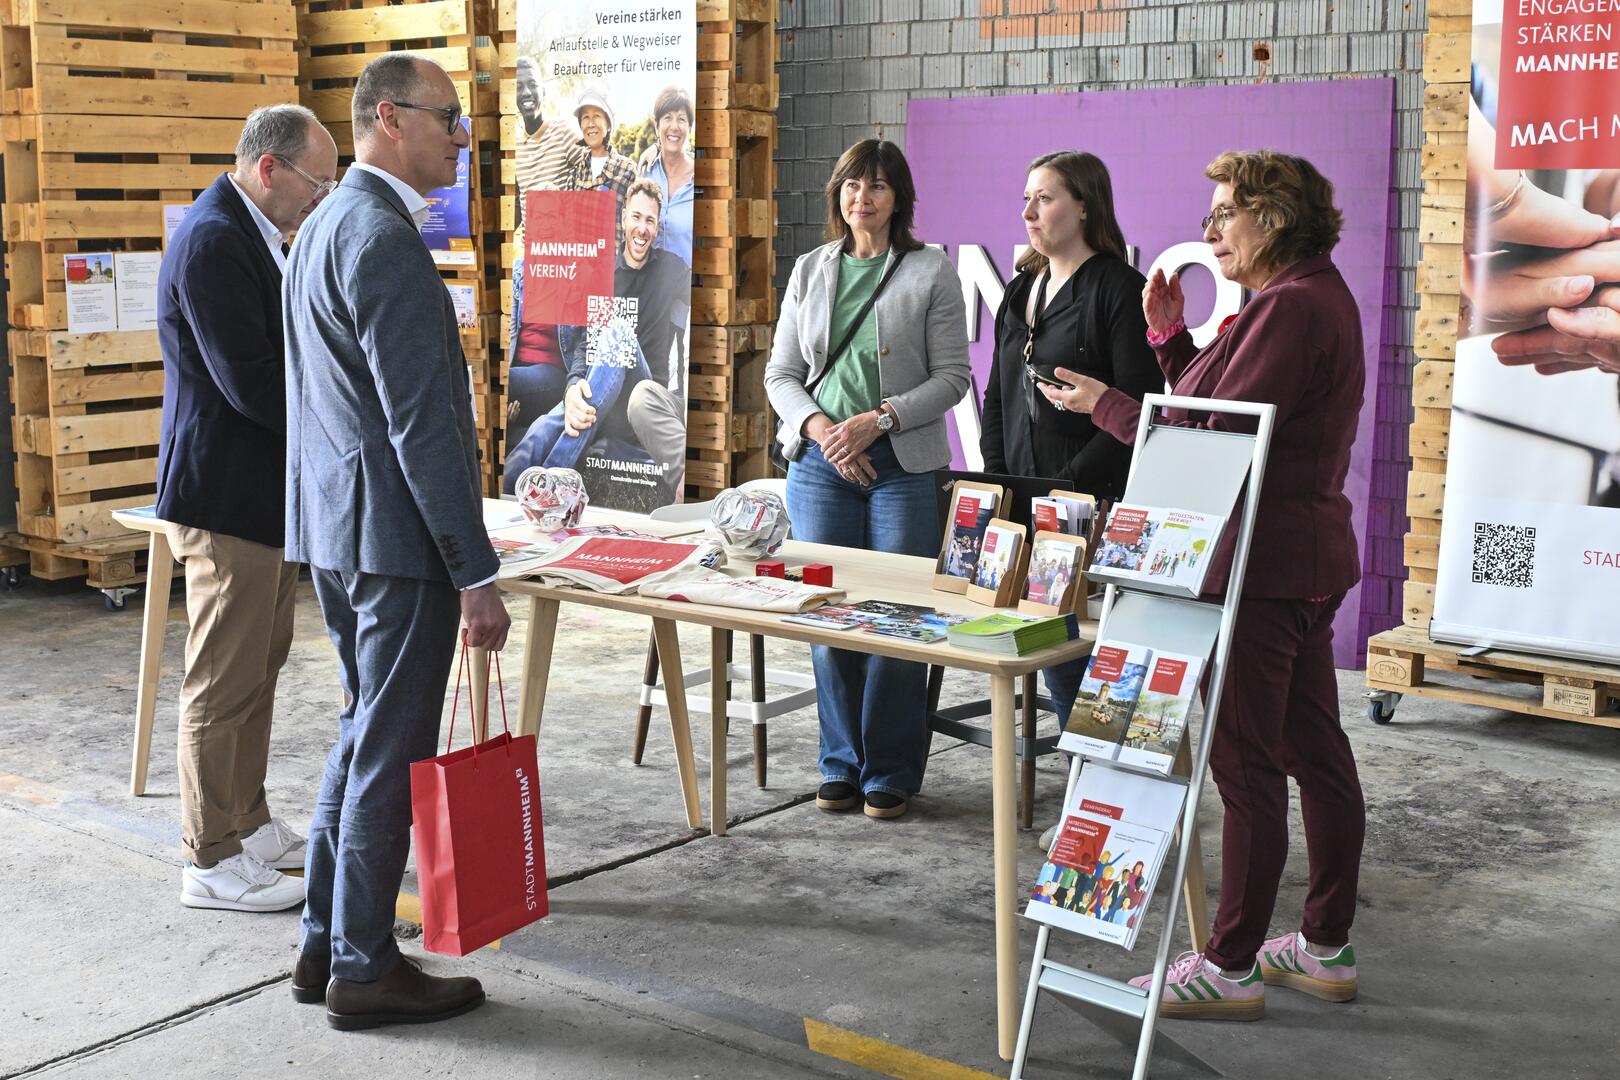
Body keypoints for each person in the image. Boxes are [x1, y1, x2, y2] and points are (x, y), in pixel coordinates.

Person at [1042, 150, 1366, 1020]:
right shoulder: (1297, 302)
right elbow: (1212, 399)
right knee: (1311, 754)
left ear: (1276, 220)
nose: (1212, 228)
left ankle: (1229, 965)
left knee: (1249, 766)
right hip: (1297, 561)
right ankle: (1324, 945)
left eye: (1228, 212)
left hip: (1263, 569)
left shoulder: (1290, 310)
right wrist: (1169, 341)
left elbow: (1206, 434)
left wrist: (1110, 403)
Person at [282, 54, 510, 1030]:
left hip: (338, 530)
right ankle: (366, 967)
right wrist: (476, 571)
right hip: (398, 542)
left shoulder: (323, 227)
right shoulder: (381, 239)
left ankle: (323, 943)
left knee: (359, 733)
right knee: (387, 750)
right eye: (448, 118)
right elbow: (424, 426)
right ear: (388, 118)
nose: (461, 137)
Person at [157, 104, 337, 913]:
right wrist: (341, 413)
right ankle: (207, 855)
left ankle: (248, 818)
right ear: (270, 169)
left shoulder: (253, 232)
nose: (319, 198)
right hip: (224, 496)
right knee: (219, 682)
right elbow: (251, 383)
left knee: (260, 665)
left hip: (263, 499)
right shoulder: (214, 241)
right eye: (315, 181)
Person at [765, 139, 971, 820]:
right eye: (853, 184)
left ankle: (889, 769)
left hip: (902, 470)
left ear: (898, 199)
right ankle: (840, 763)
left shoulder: (930, 270)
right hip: (822, 468)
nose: (864, 197)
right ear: (838, 193)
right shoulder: (809, 269)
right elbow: (782, 376)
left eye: (879, 186)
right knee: (829, 616)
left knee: (898, 621)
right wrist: (826, 432)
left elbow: (953, 379)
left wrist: (877, 422)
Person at [980, 150, 1160, 726]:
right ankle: (1080, 762)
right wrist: (1001, 483)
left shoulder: (1119, 288)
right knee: (1045, 639)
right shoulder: (1022, 286)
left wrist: (1068, 488)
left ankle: (1103, 767)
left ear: (1083, 207)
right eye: (1026, 199)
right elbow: (998, 393)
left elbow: (1139, 406)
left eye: (1045, 198)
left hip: (1092, 504)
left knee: (1087, 653)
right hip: (1027, 498)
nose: (1029, 212)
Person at [504, 179, 689, 499]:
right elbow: (585, 343)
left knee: (616, 331)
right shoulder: (604, 273)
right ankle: (504, 495)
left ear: (657, 227)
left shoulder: (671, 269)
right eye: (636, 217)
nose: (642, 229)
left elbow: (713, 304)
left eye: (650, 220)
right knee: (547, 424)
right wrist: (573, 386)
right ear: (623, 220)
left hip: (641, 393)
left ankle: (548, 486)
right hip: (602, 390)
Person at [505, 54, 577, 443]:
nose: (527, 93)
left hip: (564, 253)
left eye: (533, 84)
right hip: (536, 254)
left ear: (544, 87)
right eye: (519, 87)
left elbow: (596, 167)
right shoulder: (515, 145)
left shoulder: (565, 133)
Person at [558, 86, 637, 246]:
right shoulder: (575, 174)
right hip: (579, 266)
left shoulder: (627, 170)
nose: (591, 123)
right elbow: (564, 226)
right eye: (585, 117)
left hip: (614, 268)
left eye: (597, 116)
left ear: (608, 123)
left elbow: (635, 226)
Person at [636, 85, 695, 267]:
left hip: (685, 290)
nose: (674, 127)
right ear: (657, 126)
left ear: (690, 128)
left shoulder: (699, 180)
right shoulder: (645, 173)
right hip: (646, 286)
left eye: (681, 119)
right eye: (667, 118)